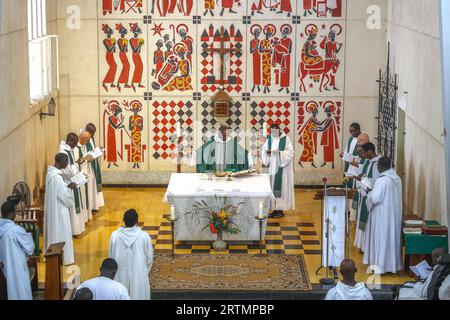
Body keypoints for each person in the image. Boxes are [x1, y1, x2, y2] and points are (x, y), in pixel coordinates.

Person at [364, 157, 403, 274]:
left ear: (380, 166)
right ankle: (391, 266)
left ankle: (380, 267)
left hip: (381, 216)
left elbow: (375, 198)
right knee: (390, 239)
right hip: (393, 215)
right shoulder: (397, 178)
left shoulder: (382, 181)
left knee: (381, 239)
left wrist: (369, 193)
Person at [109, 209, 153, 300]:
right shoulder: (144, 236)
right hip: (138, 272)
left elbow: (111, 256)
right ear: (137, 221)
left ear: (123, 220)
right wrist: (144, 271)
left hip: (120, 272)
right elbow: (149, 258)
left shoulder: (115, 236)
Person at [44, 153, 76, 265]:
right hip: (60, 209)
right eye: (66, 161)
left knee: (55, 230)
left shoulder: (50, 173)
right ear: (61, 161)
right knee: (62, 231)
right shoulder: (57, 177)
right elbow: (64, 196)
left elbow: (59, 190)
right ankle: (64, 258)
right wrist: (70, 188)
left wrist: (66, 186)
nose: (67, 163)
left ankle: (52, 255)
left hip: (54, 207)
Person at [0, 201, 35, 300]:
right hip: (17, 267)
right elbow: (30, 248)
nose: (16, 213)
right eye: (15, 211)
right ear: (11, 214)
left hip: (4, 267)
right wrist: (29, 236)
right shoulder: (15, 230)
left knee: (11, 291)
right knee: (21, 290)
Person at [261, 124, 295, 218]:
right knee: (272, 188)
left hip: (282, 169)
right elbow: (264, 150)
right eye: (272, 132)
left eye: (275, 132)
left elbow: (291, 152)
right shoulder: (270, 139)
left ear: (279, 130)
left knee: (281, 188)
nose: (273, 133)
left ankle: (280, 210)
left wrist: (280, 153)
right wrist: (266, 158)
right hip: (272, 168)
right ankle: (274, 208)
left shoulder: (285, 139)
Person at [354, 142, 380, 251]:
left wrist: (362, 180)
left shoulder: (377, 164)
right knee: (363, 220)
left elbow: (375, 183)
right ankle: (363, 245)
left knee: (368, 222)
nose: (362, 155)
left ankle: (367, 246)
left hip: (370, 196)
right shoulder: (370, 162)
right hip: (364, 194)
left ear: (370, 151)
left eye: (364, 153)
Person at [60, 133, 86, 236]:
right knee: (72, 206)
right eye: (75, 143)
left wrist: (76, 165)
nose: (75, 146)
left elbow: (71, 165)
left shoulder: (68, 149)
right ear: (70, 142)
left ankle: (77, 228)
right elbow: (66, 170)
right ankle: (72, 230)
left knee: (76, 204)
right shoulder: (63, 152)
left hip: (73, 180)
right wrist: (76, 169)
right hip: (68, 182)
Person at [85, 123, 105, 211]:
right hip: (88, 166)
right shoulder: (85, 139)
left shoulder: (91, 138)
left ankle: (95, 204)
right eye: (92, 133)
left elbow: (92, 150)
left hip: (94, 164)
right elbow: (86, 153)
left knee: (94, 185)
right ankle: (92, 205)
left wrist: (98, 149)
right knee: (91, 186)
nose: (93, 135)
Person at [340, 123, 361, 188]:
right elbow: (346, 151)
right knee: (347, 184)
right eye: (350, 131)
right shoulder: (350, 139)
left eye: (353, 131)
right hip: (348, 164)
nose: (351, 133)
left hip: (356, 165)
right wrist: (343, 155)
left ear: (358, 130)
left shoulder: (362, 139)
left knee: (354, 184)